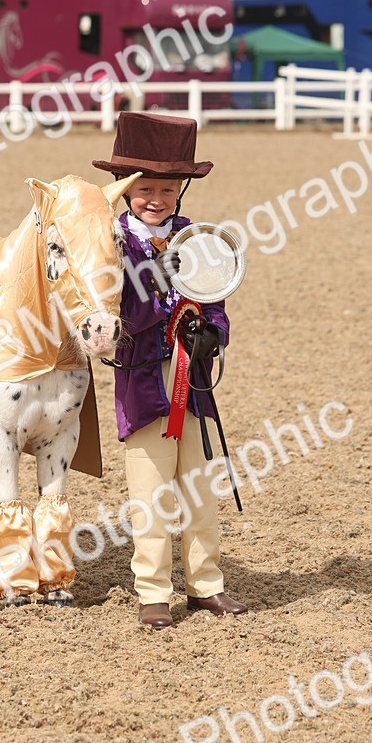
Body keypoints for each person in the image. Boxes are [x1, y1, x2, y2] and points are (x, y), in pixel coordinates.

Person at [93, 112, 248, 629]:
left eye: (167, 188)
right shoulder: (110, 243)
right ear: (124, 188)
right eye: (144, 189)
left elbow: (217, 304)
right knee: (151, 492)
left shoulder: (197, 240)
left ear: (181, 190)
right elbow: (119, 313)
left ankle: (206, 585)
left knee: (201, 491)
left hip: (194, 384)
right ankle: (153, 591)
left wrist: (212, 334)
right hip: (141, 382)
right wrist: (152, 286)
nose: (155, 199)